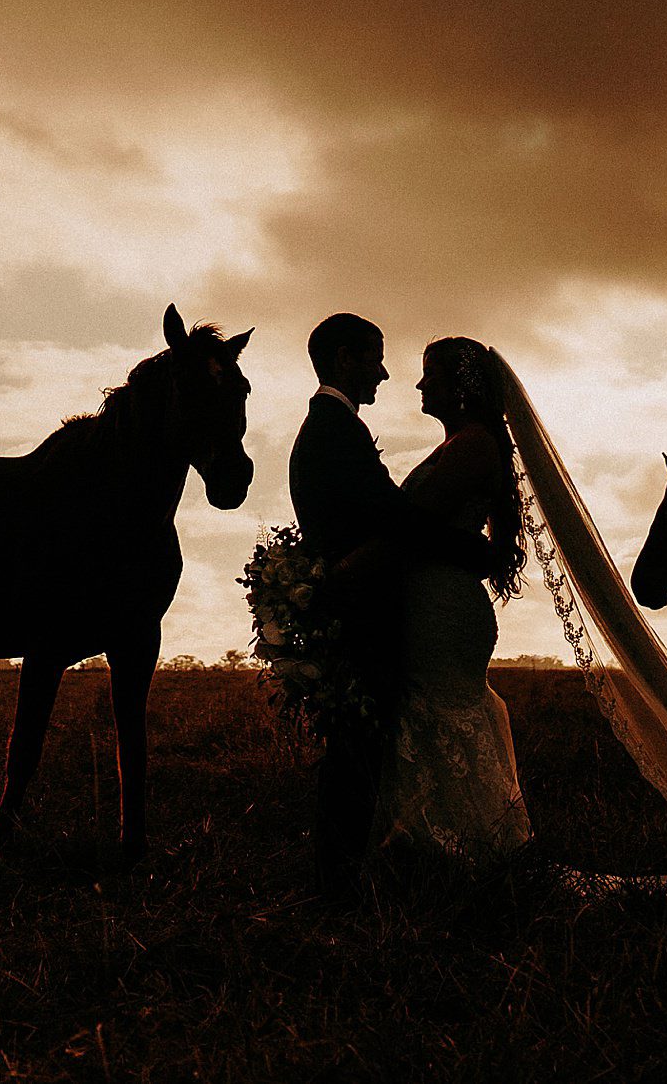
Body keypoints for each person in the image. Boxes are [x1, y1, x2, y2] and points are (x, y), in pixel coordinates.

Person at [288, 313, 493, 897]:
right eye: (375, 359)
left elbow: (394, 517)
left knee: (363, 743)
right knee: (357, 746)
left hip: (393, 608)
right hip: (368, 611)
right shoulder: (334, 430)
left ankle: (359, 871)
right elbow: (396, 518)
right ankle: (341, 879)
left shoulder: (335, 428)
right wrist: (470, 551)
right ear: (346, 359)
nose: (386, 374)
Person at [379, 336, 534, 866]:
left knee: (440, 717)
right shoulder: (460, 444)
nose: (420, 385)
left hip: (443, 609)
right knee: (426, 720)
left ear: (462, 387)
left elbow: (414, 525)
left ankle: (468, 852)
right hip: (434, 599)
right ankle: (437, 848)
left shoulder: (473, 445)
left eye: (431, 375)